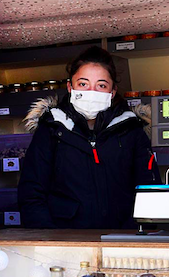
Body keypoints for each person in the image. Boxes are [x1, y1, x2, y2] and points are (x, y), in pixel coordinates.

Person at [17, 46, 159, 229]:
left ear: (112, 91)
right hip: (65, 241)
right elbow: (31, 193)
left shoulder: (132, 130)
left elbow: (150, 191)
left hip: (121, 241)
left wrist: (132, 236)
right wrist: (51, 240)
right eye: (83, 84)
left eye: (101, 85)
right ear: (70, 87)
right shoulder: (52, 128)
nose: (92, 92)